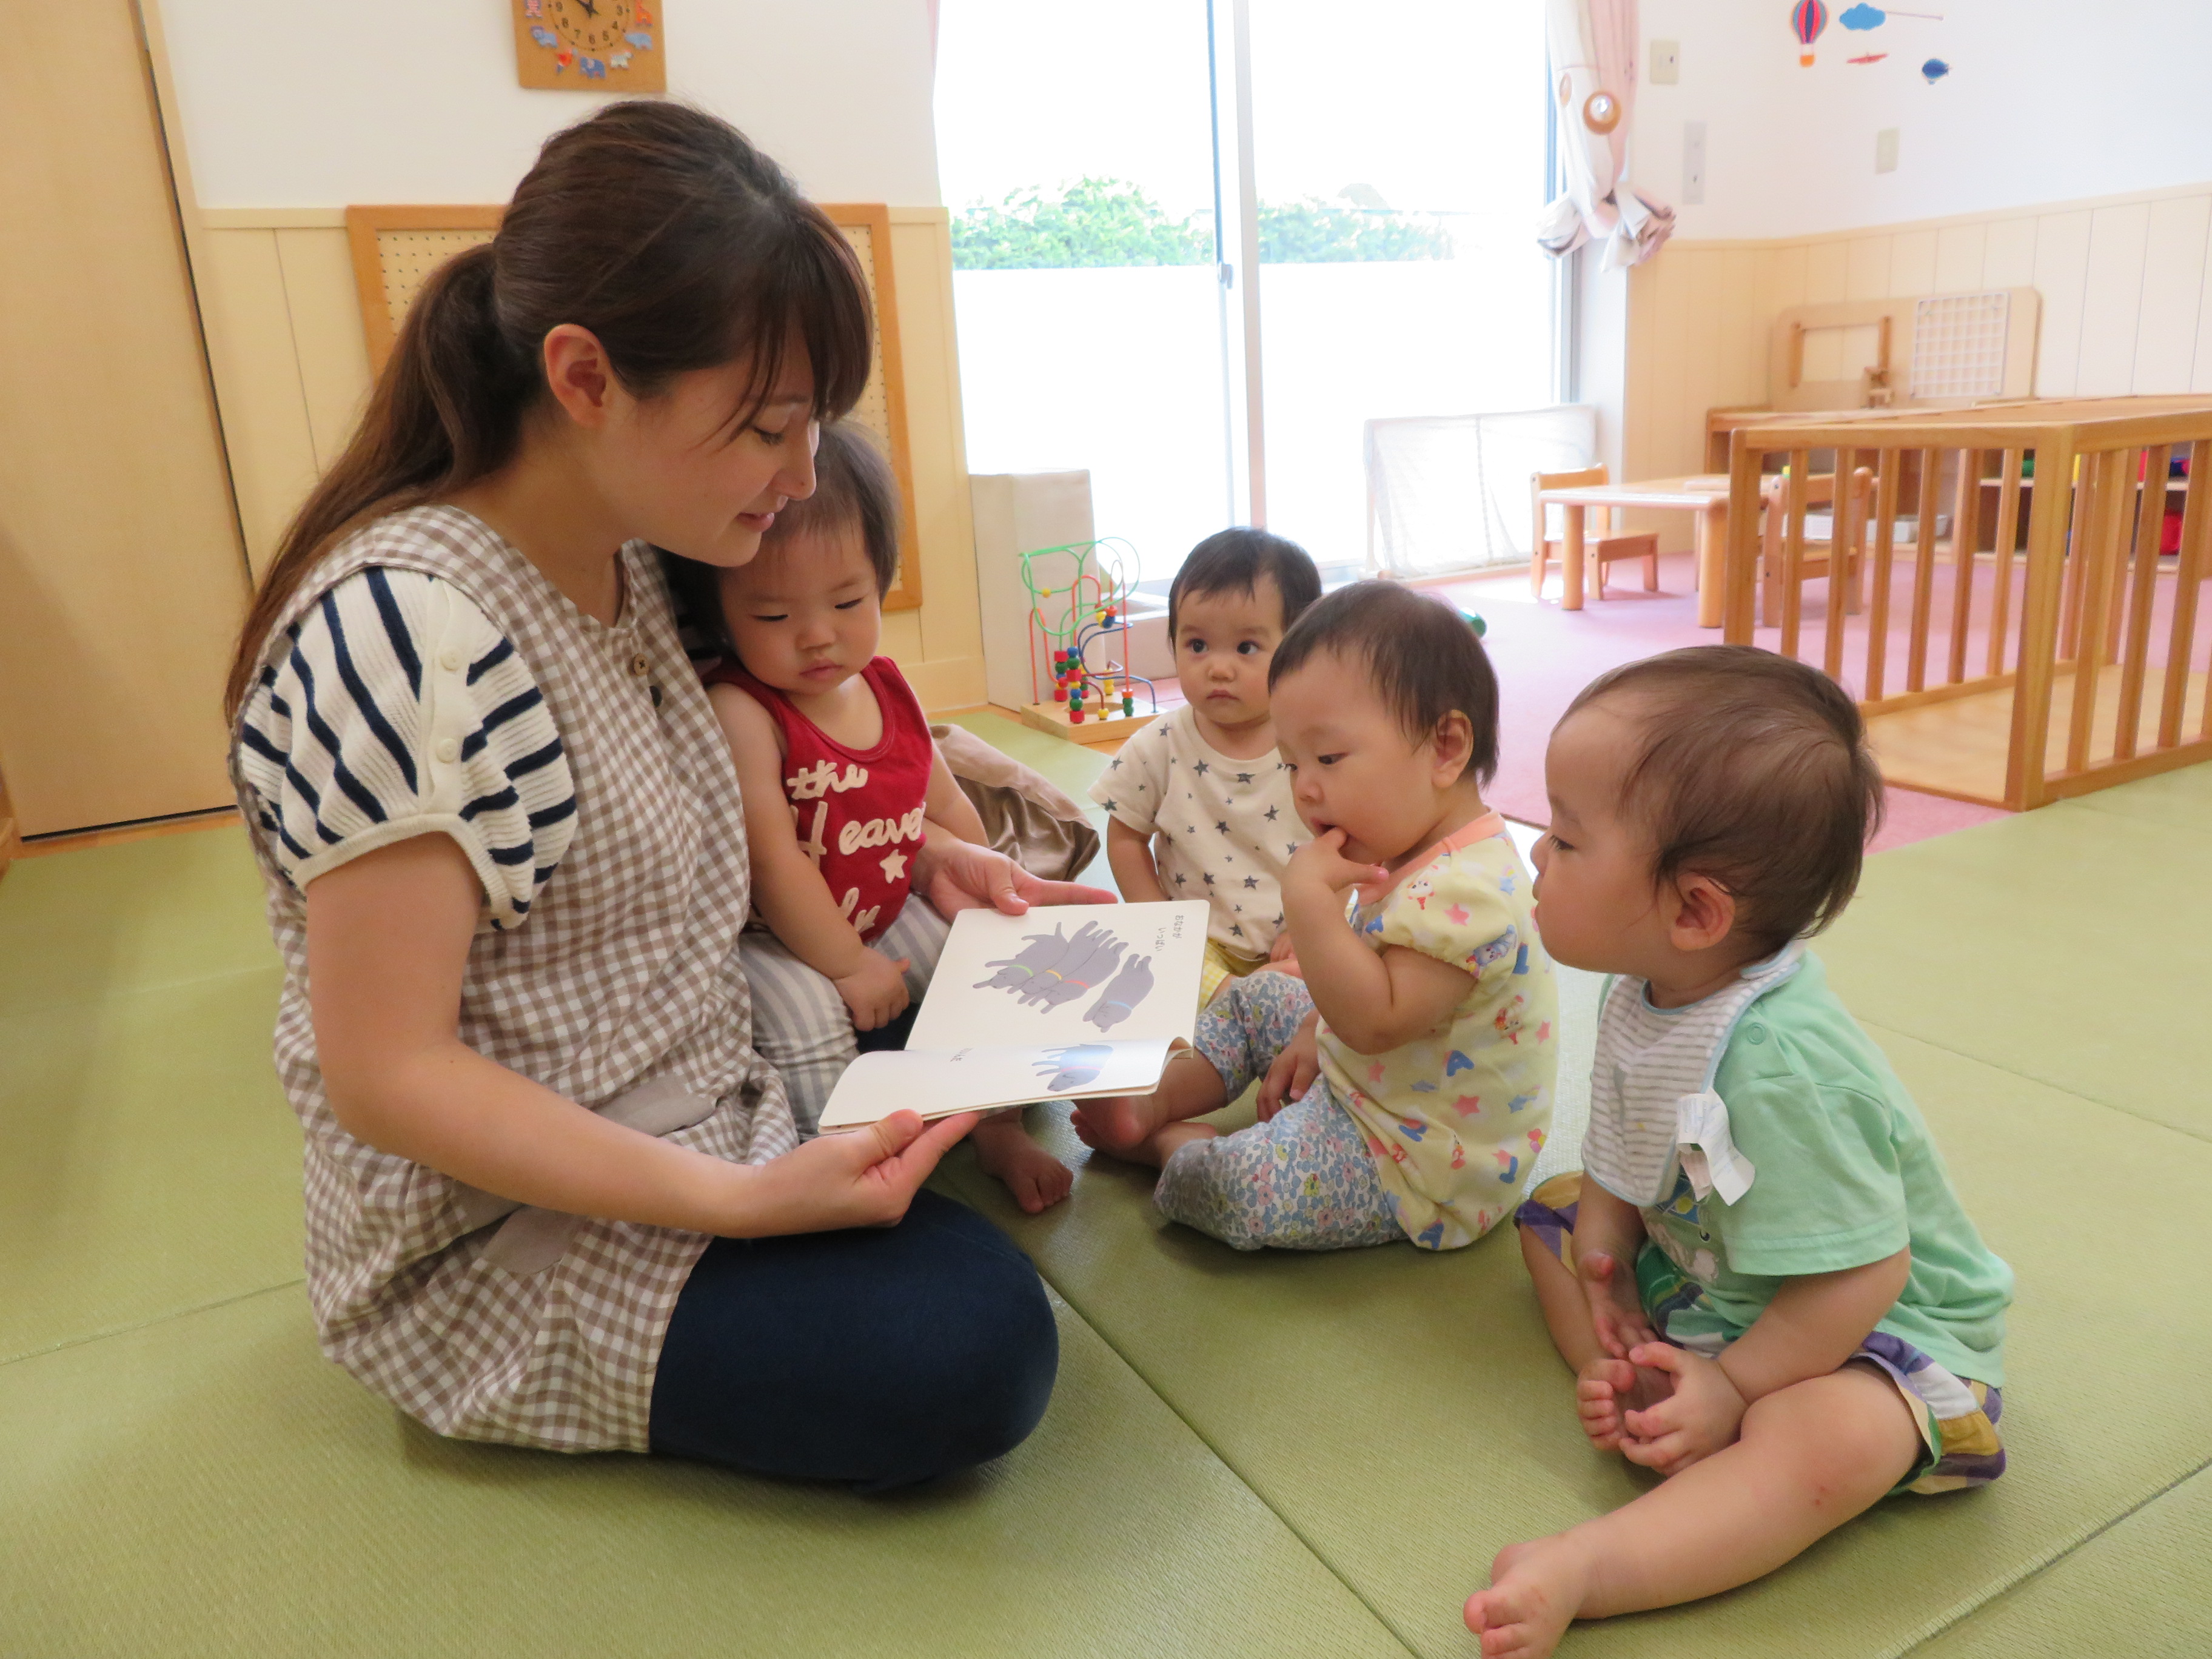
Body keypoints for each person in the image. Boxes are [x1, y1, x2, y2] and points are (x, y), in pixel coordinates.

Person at [224, 102, 1105, 1490]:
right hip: (507, 1229)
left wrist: (933, 852)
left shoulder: (641, 564)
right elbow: (383, 1070)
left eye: (811, 424)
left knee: (1019, 1051)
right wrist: (740, 1201)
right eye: (765, 427)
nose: (803, 475)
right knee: (976, 1343)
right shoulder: (408, 636)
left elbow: (775, 792)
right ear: (582, 375)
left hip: (720, 1097)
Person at [1469, 646, 2012, 1658]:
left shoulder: (1779, 1068)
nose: (1535, 854)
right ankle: (1647, 1390)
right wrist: (1603, 1253)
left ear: (1692, 910)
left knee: (1830, 1440)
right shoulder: (1647, 986)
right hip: (1721, 1273)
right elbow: (1626, 1150)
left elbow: (1867, 1270)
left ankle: (1598, 1561)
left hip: (1865, 1328)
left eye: (1568, 839)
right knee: (1551, 1216)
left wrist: (1736, 1384)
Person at [660, 421, 1073, 1213]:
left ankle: (992, 1125)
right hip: (774, 941)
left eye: (847, 601)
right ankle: (837, 1170)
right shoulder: (744, 710)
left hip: (875, 915)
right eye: (774, 617)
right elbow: (773, 860)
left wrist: (986, 879)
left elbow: (944, 804)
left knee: (972, 956)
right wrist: (846, 966)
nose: (817, 635)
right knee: (812, 1017)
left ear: (881, 580)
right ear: (721, 615)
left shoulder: (888, 687)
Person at [1075, 583, 1557, 1252]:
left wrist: (1307, 906)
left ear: (1445, 748)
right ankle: (1153, 1100)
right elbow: (1358, 994)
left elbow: (1374, 1019)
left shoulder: (1469, 894)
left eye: (1328, 759)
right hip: (1370, 1075)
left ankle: (1172, 1147)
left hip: (1416, 1163)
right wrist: (1312, 1024)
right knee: (1258, 996)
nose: (1303, 787)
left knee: (1238, 1190)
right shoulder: (1410, 844)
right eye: (1292, 762)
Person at [1090, 529, 1320, 1007]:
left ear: (1299, 650)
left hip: (1300, 937)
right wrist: (1155, 920)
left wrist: (1318, 922)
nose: (1218, 668)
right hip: (1199, 945)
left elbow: (1351, 843)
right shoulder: (1159, 745)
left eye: (1245, 648)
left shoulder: (1315, 745)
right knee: (1158, 978)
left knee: (1354, 974)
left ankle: (1260, 1017)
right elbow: (1126, 835)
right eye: (1197, 645)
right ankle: (1234, 1011)